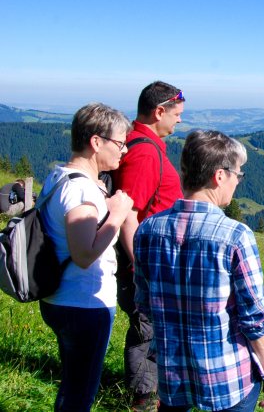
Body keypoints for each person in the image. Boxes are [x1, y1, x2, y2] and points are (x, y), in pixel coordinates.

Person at [133, 130, 264, 411]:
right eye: (238, 174)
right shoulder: (236, 235)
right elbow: (256, 319)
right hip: (227, 378)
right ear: (220, 176)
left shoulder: (148, 230)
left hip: (171, 373)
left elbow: (144, 304)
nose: (238, 181)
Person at [39, 103, 135, 411]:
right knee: (79, 396)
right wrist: (117, 217)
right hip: (83, 305)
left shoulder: (60, 177)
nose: (124, 151)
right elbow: (84, 254)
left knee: (72, 386)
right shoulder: (82, 191)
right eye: (120, 143)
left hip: (60, 297)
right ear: (96, 142)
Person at [111, 81, 185, 411]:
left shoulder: (144, 144)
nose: (180, 120)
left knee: (153, 335)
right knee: (148, 335)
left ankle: (149, 396)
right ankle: (143, 401)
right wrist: (143, 269)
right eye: (177, 114)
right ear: (159, 111)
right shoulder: (144, 151)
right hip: (146, 269)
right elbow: (129, 216)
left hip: (151, 265)